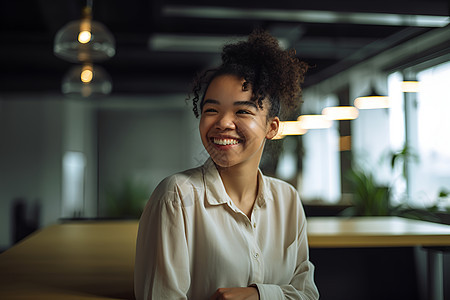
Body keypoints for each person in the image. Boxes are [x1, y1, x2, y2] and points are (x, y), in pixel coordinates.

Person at [134, 29, 319, 300]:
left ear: (272, 127)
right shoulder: (177, 197)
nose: (222, 122)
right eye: (211, 110)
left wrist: (259, 296)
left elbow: (307, 294)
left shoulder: (287, 199)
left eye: (243, 111)